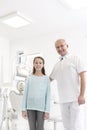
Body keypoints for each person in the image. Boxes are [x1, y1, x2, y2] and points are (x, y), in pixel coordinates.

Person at [50, 39, 87, 130]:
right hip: (63, 101)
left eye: (62, 45)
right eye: (57, 47)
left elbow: (83, 76)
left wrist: (82, 95)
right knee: (67, 127)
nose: (60, 48)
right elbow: (48, 80)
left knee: (77, 127)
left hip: (75, 99)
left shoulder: (75, 58)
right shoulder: (57, 65)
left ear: (67, 45)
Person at [22, 56, 50, 130]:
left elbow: (48, 96)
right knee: (32, 128)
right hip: (30, 107)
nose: (38, 64)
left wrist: (47, 111)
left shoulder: (46, 79)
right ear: (33, 64)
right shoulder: (29, 78)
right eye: (36, 63)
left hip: (41, 107)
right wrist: (23, 109)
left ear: (43, 64)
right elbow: (25, 94)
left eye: (40, 63)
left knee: (40, 128)